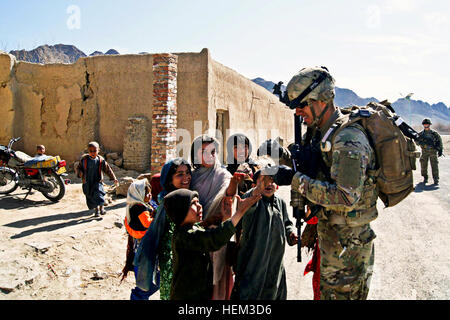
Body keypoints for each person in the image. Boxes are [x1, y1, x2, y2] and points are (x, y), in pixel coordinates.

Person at [270, 66, 378, 300]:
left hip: (349, 250)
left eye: (302, 105)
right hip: (331, 240)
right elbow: (317, 169)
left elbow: (346, 197)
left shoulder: (347, 139)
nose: (298, 112)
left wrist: (295, 180)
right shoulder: (321, 133)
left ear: (321, 100)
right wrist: (285, 161)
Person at [166, 185, 265, 300]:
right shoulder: (184, 236)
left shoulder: (194, 229)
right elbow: (214, 239)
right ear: (180, 210)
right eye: (193, 203)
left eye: (198, 202)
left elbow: (211, 235)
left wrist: (225, 219)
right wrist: (240, 211)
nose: (199, 206)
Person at [230, 168, 298, 300]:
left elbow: (287, 223)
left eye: (272, 180)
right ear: (255, 184)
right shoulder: (251, 199)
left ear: (277, 186)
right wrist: (257, 190)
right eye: (263, 179)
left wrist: (290, 234)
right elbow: (248, 204)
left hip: (275, 263)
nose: (268, 183)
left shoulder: (280, 203)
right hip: (253, 261)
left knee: (274, 292)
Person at [190, 134, 241, 300]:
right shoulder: (191, 178)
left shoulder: (224, 176)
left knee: (218, 284)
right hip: (195, 239)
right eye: (203, 151)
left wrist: (234, 183)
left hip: (218, 238)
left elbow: (228, 199)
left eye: (212, 151)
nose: (208, 155)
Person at [134, 158, 192, 300]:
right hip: (173, 265)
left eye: (187, 173)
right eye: (179, 174)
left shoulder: (185, 198)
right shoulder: (171, 203)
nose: (186, 178)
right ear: (169, 179)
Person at [121, 179, 158, 300]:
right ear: (138, 194)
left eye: (150, 192)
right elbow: (147, 223)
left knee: (147, 279)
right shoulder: (139, 208)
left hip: (141, 245)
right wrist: (157, 218)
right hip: (143, 248)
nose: (150, 195)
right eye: (147, 194)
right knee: (147, 282)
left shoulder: (136, 205)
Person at [75, 141, 119, 217]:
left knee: (99, 195)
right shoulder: (84, 160)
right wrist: (80, 173)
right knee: (91, 196)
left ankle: (101, 209)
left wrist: (114, 178)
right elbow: (78, 168)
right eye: (90, 151)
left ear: (98, 150)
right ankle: (96, 209)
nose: (92, 153)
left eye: (94, 151)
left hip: (97, 181)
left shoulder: (101, 160)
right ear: (88, 151)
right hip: (87, 182)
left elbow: (108, 169)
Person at [417, 118, 443, 185]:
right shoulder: (421, 134)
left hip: (433, 151)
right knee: (423, 165)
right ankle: (425, 177)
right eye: (425, 124)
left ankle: (436, 179)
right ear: (423, 125)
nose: (426, 125)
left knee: (434, 166)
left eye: (427, 124)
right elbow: (416, 141)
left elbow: (440, 142)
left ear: (429, 125)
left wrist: (440, 150)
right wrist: (421, 143)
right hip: (424, 152)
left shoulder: (434, 134)